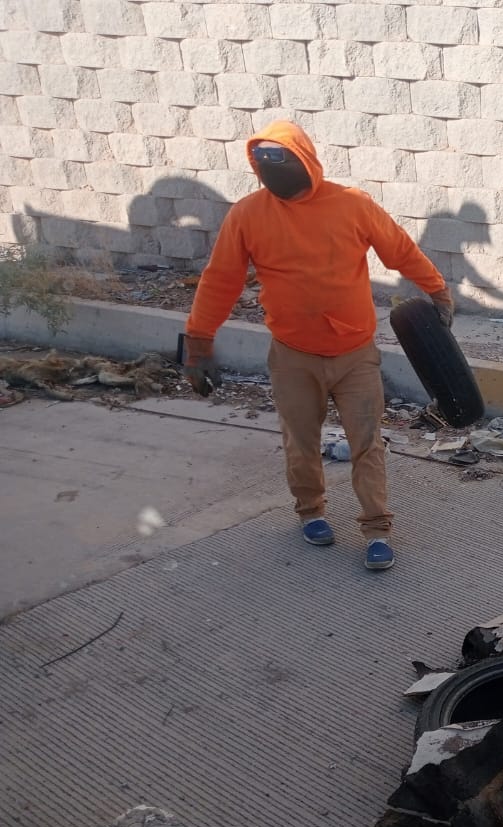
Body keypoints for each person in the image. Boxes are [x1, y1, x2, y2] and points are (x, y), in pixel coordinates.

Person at [183, 119, 454, 571]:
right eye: (261, 163)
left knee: (367, 443)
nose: (270, 171)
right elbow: (220, 281)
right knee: (301, 441)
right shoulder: (248, 215)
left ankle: (377, 529)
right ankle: (311, 513)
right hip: (293, 355)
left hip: (354, 354)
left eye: (279, 160)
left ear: (305, 160)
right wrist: (198, 343)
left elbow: (400, 249)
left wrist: (437, 290)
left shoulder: (352, 205)